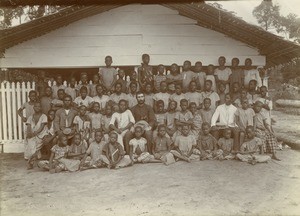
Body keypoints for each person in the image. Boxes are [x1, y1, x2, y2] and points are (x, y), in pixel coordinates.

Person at [25, 102, 48, 167]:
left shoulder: (44, 116)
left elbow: (41, 127)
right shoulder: (30, 117)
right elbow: (28, 127)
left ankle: (31, 162)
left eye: (39, 106)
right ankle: (33, 159)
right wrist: (29, 133)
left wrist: (34, 133)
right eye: (36, 106)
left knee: (34, 149)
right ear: (33, 107)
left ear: (41, 108)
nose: (37, 108)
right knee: (31, 149)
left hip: (41, 135)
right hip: (32, 135)